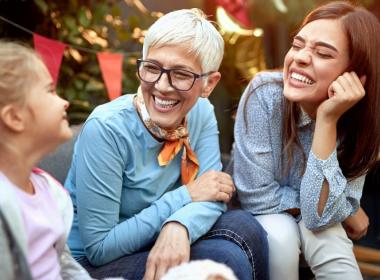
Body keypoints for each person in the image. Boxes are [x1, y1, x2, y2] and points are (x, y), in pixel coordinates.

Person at [65, 8, 268, 280]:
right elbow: (99, 248)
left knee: (245, 225)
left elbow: (212, 193)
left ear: (208, 84)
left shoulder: (201, 112)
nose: (162, 86)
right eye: (152, 68)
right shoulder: (106, 128)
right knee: (224, 257)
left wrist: (179, 225)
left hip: (150, 236)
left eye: (181, 74)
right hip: (89, 264)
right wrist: (185, 197)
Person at [234, 1, 380, 279]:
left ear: (356, 76)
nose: (300, 57)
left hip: (317, 226)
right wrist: (347, 209)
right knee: (284, 232)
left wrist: (327, 120)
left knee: (330, 239)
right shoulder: (265, 93)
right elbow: (257, 196)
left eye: (323, 53)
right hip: (260, 222)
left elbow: (320, 217)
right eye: (297, 44)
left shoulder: (364, 121)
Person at [0, 42, 92, 280]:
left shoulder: (47, 190)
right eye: (50, 91)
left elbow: (65, 268)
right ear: (14, 117)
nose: (64, 102)